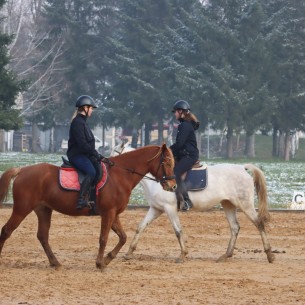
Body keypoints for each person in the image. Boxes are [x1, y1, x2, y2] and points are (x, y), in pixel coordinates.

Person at [67, 95, 103, 209]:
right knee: (91, 172)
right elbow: (82, 144)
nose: (92, 110)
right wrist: (94, 153)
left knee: (98, 169)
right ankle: (81, 200)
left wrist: (95, 154)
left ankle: (93, 199)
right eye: (91, 108)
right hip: (76, 155)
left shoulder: (83, 122)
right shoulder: (77, 123)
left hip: (84, 154)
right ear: (85, 108)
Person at [170, 100, 200, 211]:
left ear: (181, 112)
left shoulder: (185, 126)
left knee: (175, 173)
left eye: (176, 112)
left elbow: (179, 144)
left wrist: (167, 150)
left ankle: (187, 200)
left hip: (189, 156)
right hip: (184, 154)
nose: (174, 114)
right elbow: (180, 145)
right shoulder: (184, 125)